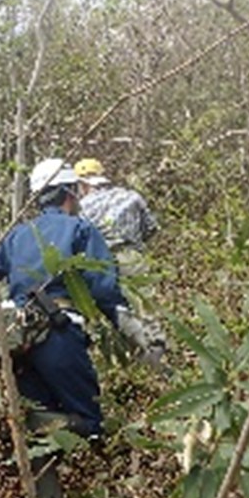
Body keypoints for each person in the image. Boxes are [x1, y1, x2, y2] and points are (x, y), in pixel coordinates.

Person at [0, 157, 127, 498]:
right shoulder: (80, 231)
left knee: (34, 421)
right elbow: (104, 286)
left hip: (19, 339)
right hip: (60, 335)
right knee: (90, 421)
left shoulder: (17, 234)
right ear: (71, 192)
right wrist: (125, 325)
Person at [74, 157, 167, 368]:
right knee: (145, 306)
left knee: (109, 309)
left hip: (98, 262)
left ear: (82, 184)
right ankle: (154, 354)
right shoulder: (132, 197)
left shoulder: (82, 206)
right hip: (132, 257)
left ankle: (118, 359)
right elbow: (151, 228)